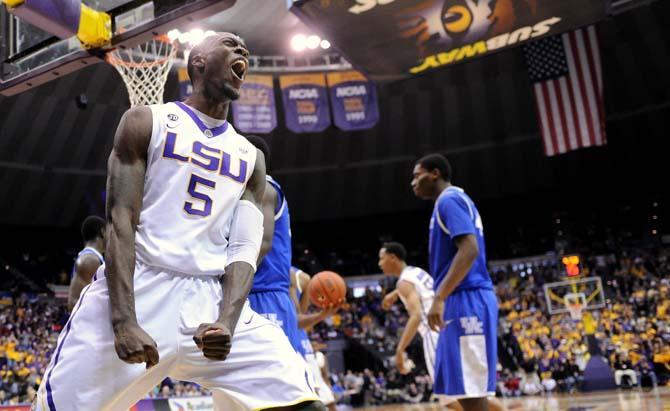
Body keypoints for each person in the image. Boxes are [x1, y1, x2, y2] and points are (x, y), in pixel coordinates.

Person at [34, 33, 323, 411]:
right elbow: (120, 219)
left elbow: (244, 249)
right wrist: (123, 320)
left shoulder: (251, 158)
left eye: (244, 48)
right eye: (230, 44)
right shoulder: (145, 121)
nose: (243, 51)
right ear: (198, 62)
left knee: (300, 399)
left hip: (208, 296)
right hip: (140, 285)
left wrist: (228, 321)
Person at [412, 153, 498, 411]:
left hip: (467, 297)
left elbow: (469, 250)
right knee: (463, 390)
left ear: (435, 173)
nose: (413, 183)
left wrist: (439, 296)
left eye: (417, 176)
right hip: (462, 298)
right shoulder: (450, 202)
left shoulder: (449, 200)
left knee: (471, 391)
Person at [245, 135, 305, 356]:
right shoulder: (248, 192)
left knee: (280, 382)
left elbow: (262, 244)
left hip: (265, 295)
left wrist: (231, 282)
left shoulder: (265, 188)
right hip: (254, 293)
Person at [377, 242, 439, 380]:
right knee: (469, 393)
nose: (379, 264)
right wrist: (395, 293)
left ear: (392, 257)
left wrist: (400, 350)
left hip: (433, 332)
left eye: (382, 258)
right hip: (446, 327)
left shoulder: (404, 282)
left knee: (448, 395)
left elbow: (416, 316)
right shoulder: (416, 271)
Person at [290, 267, 338, 411]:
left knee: (327, 404)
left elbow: (300, 317)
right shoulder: (301, 278)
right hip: (294, 348)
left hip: (302, 347)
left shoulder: (301, 278)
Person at [67, 215, 105, 311]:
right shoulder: (90, 260)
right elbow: (73, 303)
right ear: (102, 231)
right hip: (88, 324)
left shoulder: (93, 258)